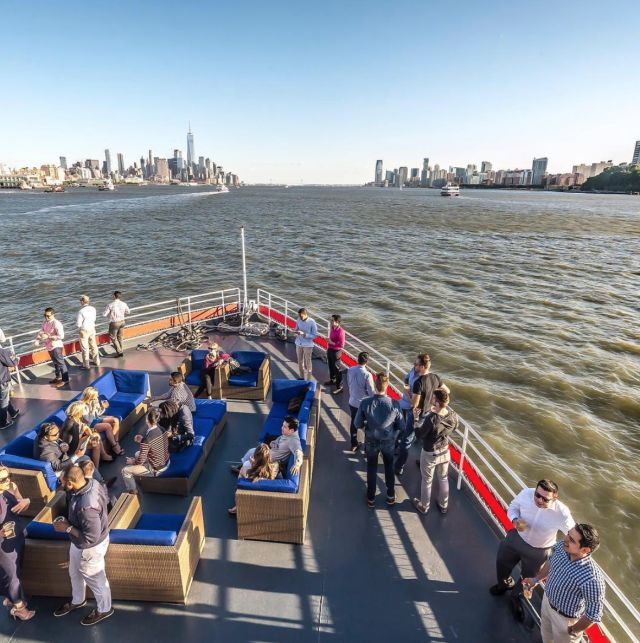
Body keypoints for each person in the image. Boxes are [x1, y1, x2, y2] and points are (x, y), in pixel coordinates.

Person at [490, 479, 575, 620]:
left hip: (539, 550)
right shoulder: (526, 494)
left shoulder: (562, 512)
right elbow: (513, 507)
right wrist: (515, 520)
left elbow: (572, 534)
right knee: (501, 561)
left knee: (528, 578)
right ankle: (503, 584)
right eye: (537, 495)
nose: (539, 500)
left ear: (555, 498)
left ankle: (515, 596)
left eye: (545, 499)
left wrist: (563, 550)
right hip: (516, 538)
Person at [523, 524, 606, 643]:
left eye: (571, 540)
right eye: (568, 534)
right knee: (546, 636)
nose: (565, 539)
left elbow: (593, 614)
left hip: (565, 620)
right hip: (546, 602)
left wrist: (573, 629)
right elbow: (550, 562)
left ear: (585, 550)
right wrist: (536, 579)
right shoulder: (562, 546)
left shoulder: (592, 578)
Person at [53, 465, 113, 626]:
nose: (60, 484)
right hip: (78, 542)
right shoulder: (92, 482)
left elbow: (91, 538)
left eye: (62, 482)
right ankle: (78, 600)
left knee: (96, 579)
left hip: (90, 548)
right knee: (74, 572)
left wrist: (67, 528)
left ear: (70, 483)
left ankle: (104, 609)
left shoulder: (86, 507)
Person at [354, 372, 404, 508]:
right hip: (389, 442)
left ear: (375, 386)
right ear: (387, 386)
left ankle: (371, 498)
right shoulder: (394, 403)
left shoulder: (365, 402)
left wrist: (366, 427)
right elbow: (402, 426)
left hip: (371, 441)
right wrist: (393, 436)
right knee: (389, 467)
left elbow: (357, 424)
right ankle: (390, 496)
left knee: (371, 468)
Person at [412, 387, 459, 515]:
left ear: (437, 403)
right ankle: (443, 505)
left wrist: (416, 419)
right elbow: (455, 427)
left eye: (433, 398)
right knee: (443, 478)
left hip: (430, 453)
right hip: (445, 451)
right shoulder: (453, 416)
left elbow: (419, 435)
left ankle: (424, 506)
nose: (431, 399)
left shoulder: (431, 419)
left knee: (427, 480)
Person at [395, 353, 442, 476]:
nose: (414, 365)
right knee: (424, 439)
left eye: (416, 364)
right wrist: (435, 401)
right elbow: (446, 391)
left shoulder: (419, 382)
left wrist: (407, 392)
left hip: (417, 414)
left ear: (422, 367)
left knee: (407, 440)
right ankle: (422, 463)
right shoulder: (436, 377)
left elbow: (414, 404)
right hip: (429, 413)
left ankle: (399, 466)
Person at [0, 466, 34, 621]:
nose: (7, 480)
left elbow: (21, 505)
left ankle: (10, 598)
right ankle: (20, 609)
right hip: (3, 545)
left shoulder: (12, 486)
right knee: (12, 576)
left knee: (16, 569)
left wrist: (26, 501)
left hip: (17, 535)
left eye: (8, 476)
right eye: (2, 479)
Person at [231, 415, 303, 478]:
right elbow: (280, 440)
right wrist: (274, 443)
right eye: (282, 425)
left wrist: (297, 464)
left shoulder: (293, 441)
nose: (281, 428)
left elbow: (299, 452)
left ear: (291, 430)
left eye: (284, 427)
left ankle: (244, 471)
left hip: (269, 460)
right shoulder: (288, 434)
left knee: (250, 461)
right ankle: (242, 466)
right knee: (252, 451)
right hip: (270, 453)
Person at [37, 422, 105, 484]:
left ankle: (99, 481)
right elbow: (58, 466)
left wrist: (64, 446)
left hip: (65, 459)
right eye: (55, 434)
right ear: (45, 437)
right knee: (86, 463)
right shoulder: (46, 451)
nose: (58, 435)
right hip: (61, 472)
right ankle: (99, 483)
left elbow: (59, 444)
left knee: (85, 458)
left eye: (58, 432)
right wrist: (76, 456)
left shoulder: (50, 439)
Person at [121, 408, 170, 493]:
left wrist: (132, 462)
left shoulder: (147, 440)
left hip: (157, 469)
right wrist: (142, 440)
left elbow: (140, 461)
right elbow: (155, 442)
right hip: (166, 461)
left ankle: (133, 491)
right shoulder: (161, 429)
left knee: (125, 471)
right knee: (137, 454)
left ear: (147, 420)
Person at [227, 443, 280, 515]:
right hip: (266, 494)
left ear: (255, 456)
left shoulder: (247, 465)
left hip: (251, 489)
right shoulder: (274, 467)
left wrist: (251, 466)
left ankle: (238, 505)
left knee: (242, 472)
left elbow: (247, 479)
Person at [61, 401, 110, 468]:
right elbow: (71, 446)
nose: (84, 412)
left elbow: (85, 427)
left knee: (96, 442)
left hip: (77, 443)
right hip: (72, 451)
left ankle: (96, 468)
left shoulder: (77, 419)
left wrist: (90, 435)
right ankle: (96, 469)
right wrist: (85, 437)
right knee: (95, 443)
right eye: (83, 410)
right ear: (79, 411)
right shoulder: (71, 425)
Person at [79, 387, 123, 456]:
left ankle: (116, 442)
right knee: (107, 426)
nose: (97, 397)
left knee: (115, 420)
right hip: (89, 425)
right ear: (90, 396)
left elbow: (98, 414)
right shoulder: (82, 406)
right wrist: (93, 409)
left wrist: (103, 407)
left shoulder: (94, 401)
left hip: (96, 419)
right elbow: (89, 420)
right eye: (95, 396)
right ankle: (114, 446)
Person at [346, 352, 375, 452]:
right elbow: (371, 392)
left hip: (352, 401)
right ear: (367, 361)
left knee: (354, 423)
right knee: (367, 426)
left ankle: (353, 444)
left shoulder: (350, 370)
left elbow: (349, 383)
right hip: (363, 405)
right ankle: (367, 449)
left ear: (357, 359)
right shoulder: (367, 375)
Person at [35, 307, 68, 388]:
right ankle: (58, 377)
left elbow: (61, 336)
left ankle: (65, 380)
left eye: (48, 316)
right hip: (49, 346)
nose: (46, 317)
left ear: (53, 315)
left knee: (61, 363)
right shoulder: (45, 322)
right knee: (55, 363)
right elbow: (41, 331)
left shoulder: (57, 323)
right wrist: (37, 339)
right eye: (45, 315)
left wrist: (49, 337)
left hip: (56, 346)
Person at [102, 291, 130, 357]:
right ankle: (121, 350)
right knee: (120, 337)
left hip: (114, 323)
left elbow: (104, 314)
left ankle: (119, 352)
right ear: (120, 296)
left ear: (114, 296)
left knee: (113, 337)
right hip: (122, 322)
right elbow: (128, 312)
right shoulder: (124, 304)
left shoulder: (110, 305)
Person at [293, 308, 317, 381]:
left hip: (308, 345)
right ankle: (301, 377)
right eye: (299, 316)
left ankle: (308, 379)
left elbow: (315, 335)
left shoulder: (312, 322)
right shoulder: (298, 320)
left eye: (301, 316)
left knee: (308, 362)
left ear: (305, 314)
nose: (300, 317)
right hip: (298, 343)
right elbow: (296, 329)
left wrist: (304, 334)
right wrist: (295, 332)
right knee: (300, 361)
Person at [0, 339, 20, 429]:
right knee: (4, 401)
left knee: (5, 397)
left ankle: (13, 412)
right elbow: (12, 363)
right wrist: (16, 358)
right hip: (2, 380)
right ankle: (2, 423)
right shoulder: (2, 352)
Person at [76, 295, 100, 370]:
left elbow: (78, 324)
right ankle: (97, 361)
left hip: (84, 330)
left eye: (80, 301)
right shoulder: (93, 308)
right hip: (92, 328)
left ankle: (86, 365)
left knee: (85, 348)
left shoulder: (81, 311)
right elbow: (94, 319)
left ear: (82, 301)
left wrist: (79, 330)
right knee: (93, 345)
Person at [324, 314, 346, 394]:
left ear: (337, 322)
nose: (330, 321)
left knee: (337, 369)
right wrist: (329, 341)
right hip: (330, 349)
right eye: (331, 320)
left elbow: (342, 345)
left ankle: (340, 387)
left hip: (336, 352)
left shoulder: (341, 331)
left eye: (332, 320)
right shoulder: (332, 328)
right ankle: (332, 380)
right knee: (330, 366)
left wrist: (331, 342)